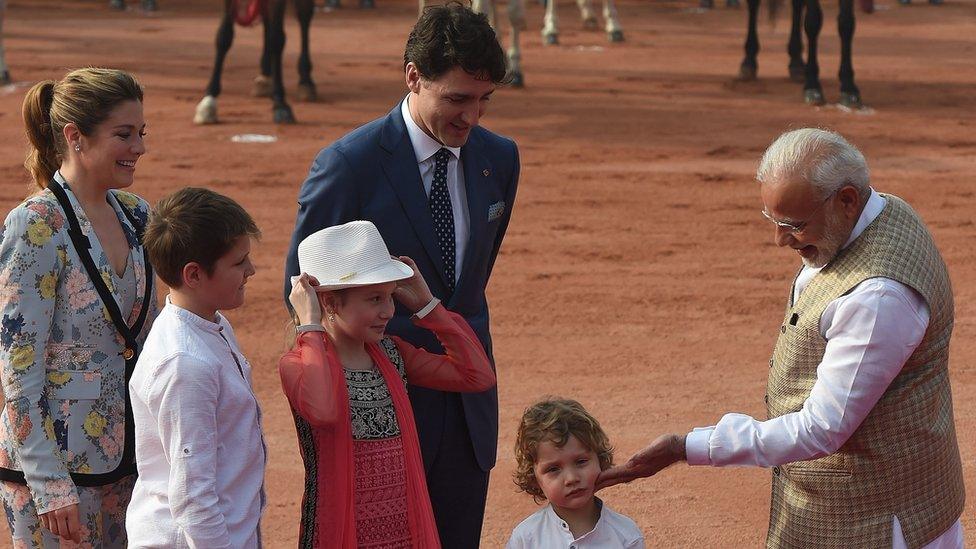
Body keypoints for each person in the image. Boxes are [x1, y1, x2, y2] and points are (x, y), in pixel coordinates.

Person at [597, 128, 966, 549]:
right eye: (773, 221)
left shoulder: (878, 296)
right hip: (885, 497)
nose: (779, 239)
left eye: (794, 224)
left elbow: (820, 429)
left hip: (875, 523)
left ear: (847, 200)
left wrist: (688, 447)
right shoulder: (884, 211)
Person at [283, 2, 519, 545]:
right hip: (374, 425)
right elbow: (301, 290)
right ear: (413, 77)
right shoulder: (348, 164)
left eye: (484, 100)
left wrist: (437, 314)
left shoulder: (499, 158)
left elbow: (469, 283)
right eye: (457, 99)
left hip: (465, 411)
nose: (472, 117)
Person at [0, 67, 156, 548]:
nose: (139, 148)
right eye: (124, 135)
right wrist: (48, 485)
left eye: (141, 134)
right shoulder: (34, 225)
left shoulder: (138, 214)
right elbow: (17, 368)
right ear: (76, 137)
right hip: (56, 479)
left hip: (131, 463)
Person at [280, 220, 497, 548]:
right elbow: (323, 411)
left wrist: (428, 305)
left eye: (389, 296)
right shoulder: (299, 363)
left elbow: (476, 375)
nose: (388, 311)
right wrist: (310, 327)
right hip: (341, 533)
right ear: (329, 303)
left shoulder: (394, 354)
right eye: (374, 299)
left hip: (404, 533)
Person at [125, 187, 266, 548]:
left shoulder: (209, 322)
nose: (250, 270)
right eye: (238, 263)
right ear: (194, 275)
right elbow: (192, 496)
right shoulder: (185, 364)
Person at [507, 398, 644, 549]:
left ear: (600, 459)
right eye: (553, 469)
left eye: (581, 462)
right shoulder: (526, 539)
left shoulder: (626, 536)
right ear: (534, 478)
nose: (571, 478)